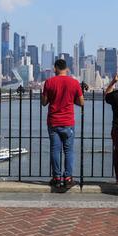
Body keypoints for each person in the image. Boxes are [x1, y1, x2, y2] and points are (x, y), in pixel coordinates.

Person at [42, 59, 84, 189]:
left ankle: (56, 178)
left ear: (55, 68)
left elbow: (44, 102)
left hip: (54, 122)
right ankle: (68, 178)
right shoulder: (74, 82)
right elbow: (81, 102)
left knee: (55, 150)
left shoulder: (49, 82)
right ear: (67, 69)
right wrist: (71, 100)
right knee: (69, 151)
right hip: (68, 123)